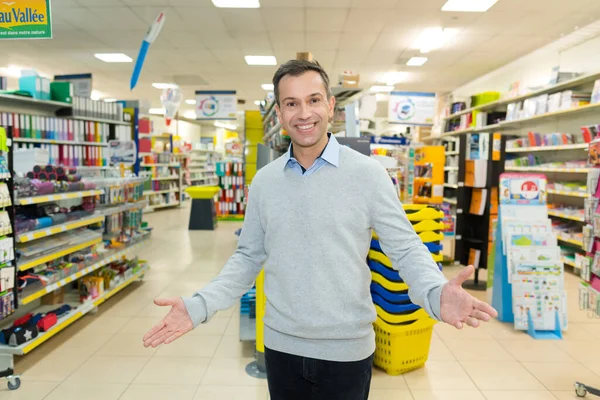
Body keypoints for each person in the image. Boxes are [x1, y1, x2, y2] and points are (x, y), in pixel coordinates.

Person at [142, 59, 498, 400]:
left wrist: (435, 293)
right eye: (291, 103)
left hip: (347, 352)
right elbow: (248, 257)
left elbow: (404, 248)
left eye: (313, 100)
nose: (304, 113)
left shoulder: (368, 175)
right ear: (279, 114)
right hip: (282, 349)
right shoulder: (265, 182)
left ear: (330, 106)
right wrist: (199, 306)